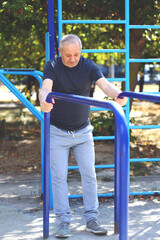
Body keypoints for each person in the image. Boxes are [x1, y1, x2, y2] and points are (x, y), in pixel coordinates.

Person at [39, 34, 128, 238]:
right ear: (60, 52)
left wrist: (117, 94)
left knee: (89, 174)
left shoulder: (88, 66)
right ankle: (63, 221)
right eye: (68, 55)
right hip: (58, 131)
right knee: (59, 177)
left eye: (76, 54)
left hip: (82, 130)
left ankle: (92, 219)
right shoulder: (52, 65)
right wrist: (43, 99)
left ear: (81, 52)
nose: (72, 59)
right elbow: (45, 88)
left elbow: (105, 85)